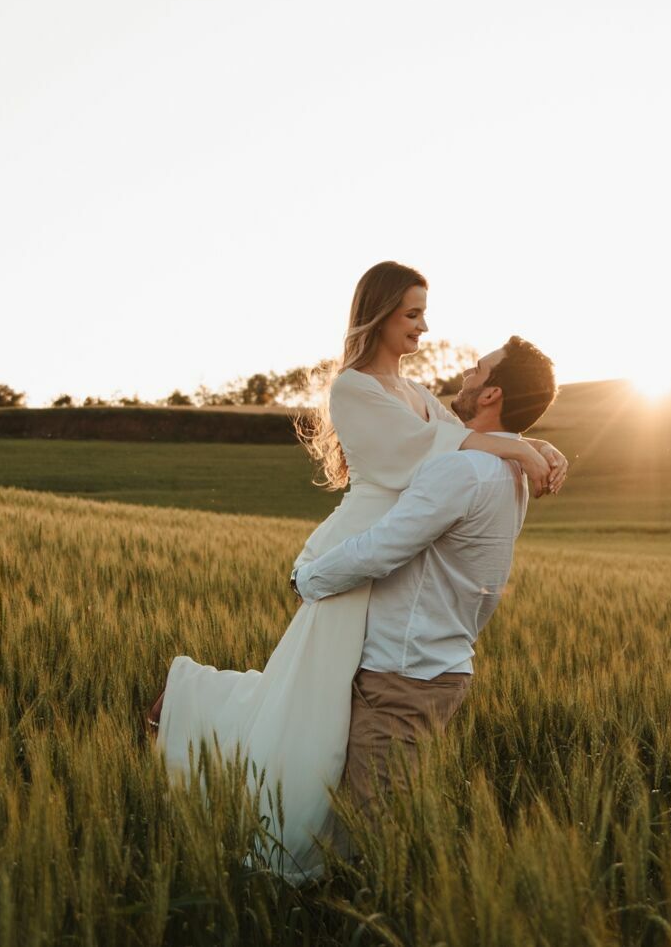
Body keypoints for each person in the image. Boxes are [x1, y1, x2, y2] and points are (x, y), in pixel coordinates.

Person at [150, 262, 569, 882]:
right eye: (412, 314)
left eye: (424, 314)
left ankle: (248, 786)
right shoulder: (353, 388)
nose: (425, 328)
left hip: (383, 557)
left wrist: (539, 443)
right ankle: (271, 830)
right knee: (311, 702)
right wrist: (517, 445)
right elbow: (423, 453)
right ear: (379, 314)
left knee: (307, 700)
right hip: (356, 548)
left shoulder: (419, 394)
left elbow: (462, 436)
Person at [293, 336, 556, 827]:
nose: (467, 375)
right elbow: (436, 431)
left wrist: (307, 579)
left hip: (402, 675)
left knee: (371, 832)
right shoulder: (509, 471)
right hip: (441, 666)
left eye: (478, 369)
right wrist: (535, 446)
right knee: (374, 819)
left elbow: (381, 548)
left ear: (492, 394)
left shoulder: (462, 470)